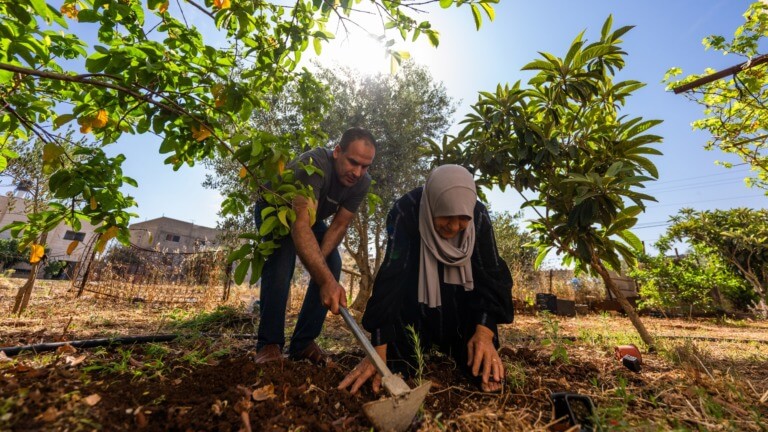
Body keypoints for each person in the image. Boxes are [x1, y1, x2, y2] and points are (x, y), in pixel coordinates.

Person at [338, 164, 514, 394]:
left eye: (462, 219)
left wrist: (485, 333)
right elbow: (392, 277)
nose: (453, 227)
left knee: (480, 368)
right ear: (431, 206)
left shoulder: (478, 217)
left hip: (461, 308)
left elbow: (490, 276)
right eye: (446, 217)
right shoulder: (406, 211)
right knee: (397, 366)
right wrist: (377, 352)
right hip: (413, 308)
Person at [254, 127, 377, 364]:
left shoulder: (362, 183)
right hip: (276, 207)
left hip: (311, 216)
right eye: (353, 162)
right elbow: (299, 224)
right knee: (281, 260)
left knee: (331, 264)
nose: (357, 172)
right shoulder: (313, 164)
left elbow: (339, 225)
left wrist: (319, 269)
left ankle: (303, 343)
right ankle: (269, 344)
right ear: (337, 152)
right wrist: (326, 281)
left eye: (365, 166)